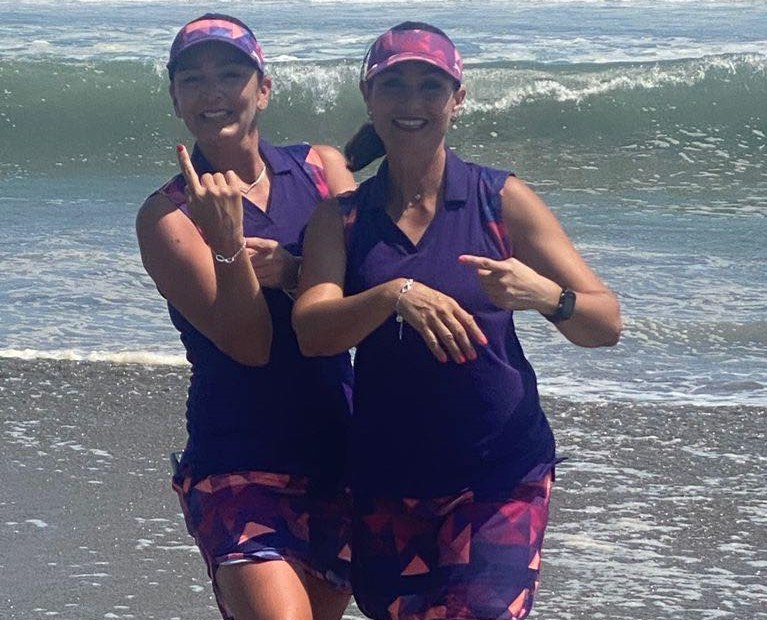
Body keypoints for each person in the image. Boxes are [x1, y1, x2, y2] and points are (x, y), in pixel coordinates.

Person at [292, 22, 622, 620]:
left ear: (457, 99)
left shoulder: (499, 199)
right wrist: (392, 295)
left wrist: (546, 295)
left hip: (501, 474)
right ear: (369, 97)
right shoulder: (341, 219)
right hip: (388, 480)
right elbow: (312, 331)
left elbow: (605, 323)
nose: (412, 103)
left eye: (431, 87)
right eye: (394, 86)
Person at [135, 14, 357, 620]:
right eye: (193, 79)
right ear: (176, 99)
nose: (213, 92)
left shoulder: (320, 170)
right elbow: (249, 343)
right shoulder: (167, 217)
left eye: (231, 74)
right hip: (237, 456)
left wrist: (292, 270)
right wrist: (229, 244)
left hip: (337, 446)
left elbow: (369, 285)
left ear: (263, 88)